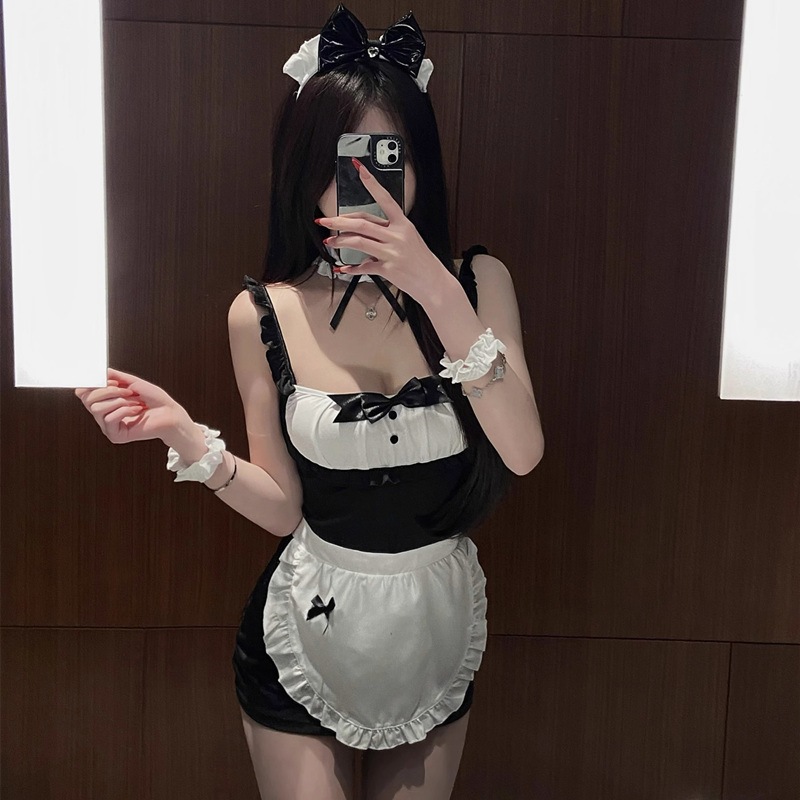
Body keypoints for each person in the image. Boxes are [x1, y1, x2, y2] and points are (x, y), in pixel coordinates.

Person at [75, 5, 543, 798]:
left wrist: (433, 286)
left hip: (430, 631)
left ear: (421, 165)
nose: (364, 183)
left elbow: (523, 451)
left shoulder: (477, 284)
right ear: (303, 166)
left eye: (387, 156)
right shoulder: (263, 311)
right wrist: (184, 435)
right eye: (341, 157)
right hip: (306, 628)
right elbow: (285, 508)